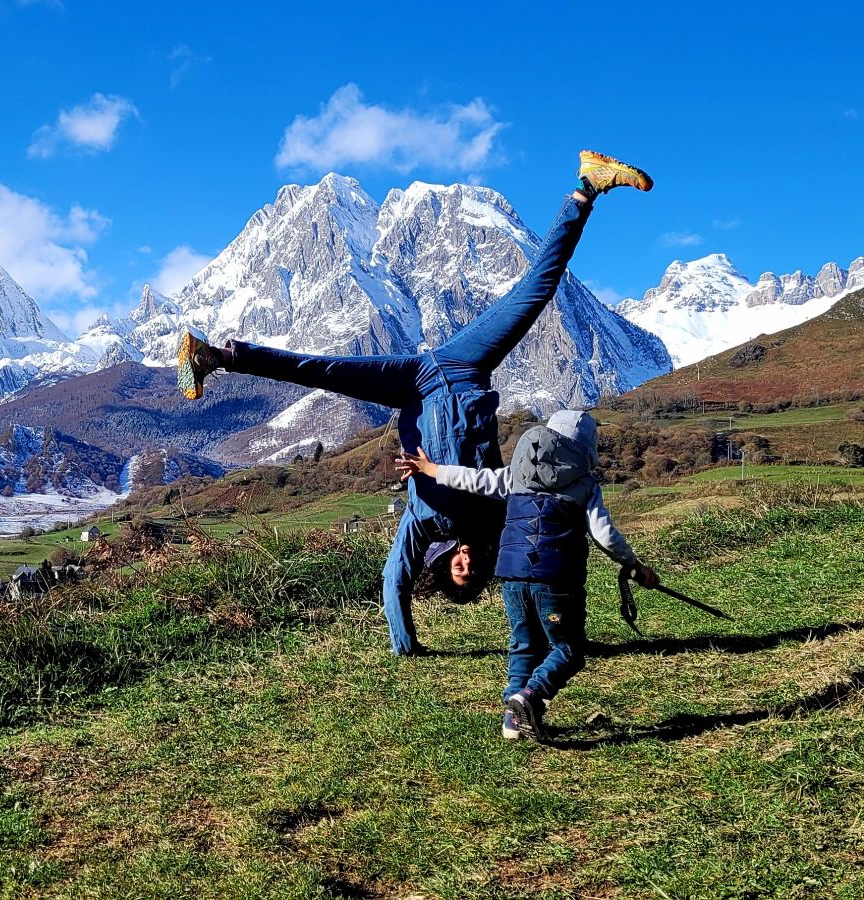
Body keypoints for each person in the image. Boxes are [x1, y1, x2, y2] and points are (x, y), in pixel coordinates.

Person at [178, 151, 653, 656]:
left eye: (459, 573)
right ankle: (587, 185)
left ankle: (215, 355)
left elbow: (393, 582)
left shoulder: (420, 519)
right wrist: (615, 560)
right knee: (537, 291)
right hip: (466, 367)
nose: (467, 566)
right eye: (475, 575)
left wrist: (407, 646)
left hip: (410, 385)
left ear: (444, 563)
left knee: (319, 369)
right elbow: (547, 522)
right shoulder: (500, 517)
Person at [395, 411, 658, 741]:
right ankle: (529, 696)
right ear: (587, 447)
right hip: (556, 577)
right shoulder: (585, 484)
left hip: (512, 574)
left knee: (523, 645)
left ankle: (511, 721)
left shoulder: (517, 474)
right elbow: (604, 534)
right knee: (568, 649)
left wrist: (430, 469)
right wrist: (633, 563)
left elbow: (475, 480)